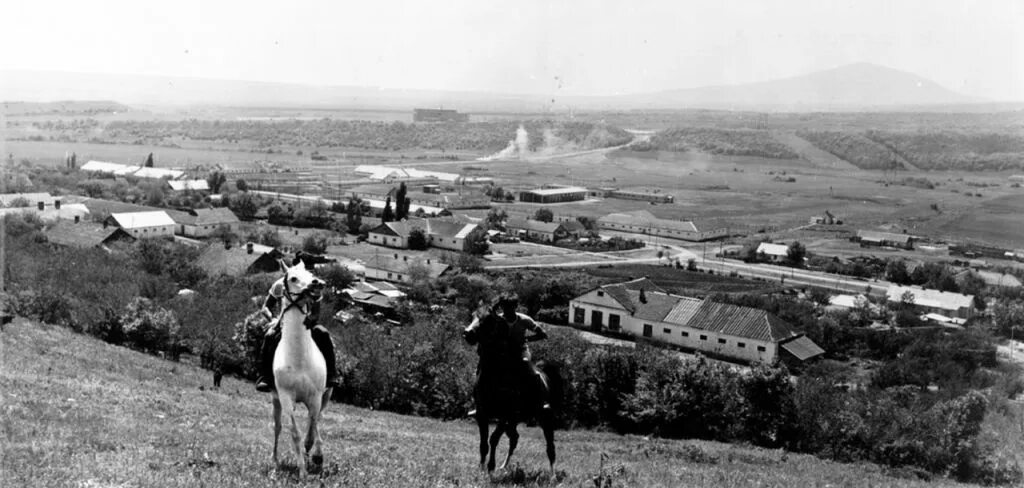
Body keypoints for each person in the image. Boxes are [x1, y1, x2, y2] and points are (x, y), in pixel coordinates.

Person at [254, 254, 342, 393]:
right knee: (269, 337)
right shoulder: (279, 285)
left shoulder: (313, 286)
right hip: (284, 324)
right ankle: (265, 377)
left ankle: (331, 374)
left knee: (324, 334)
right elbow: (265, 306)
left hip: (306, 324)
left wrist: (309, 320)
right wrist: (272, 319)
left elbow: (316, 313)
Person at [463, 293, 549, 416]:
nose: (507, 310)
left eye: (510, 307)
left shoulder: (524, 319)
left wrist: (526, 339)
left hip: (520, 351)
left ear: (516, 306)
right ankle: (479, 404)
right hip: (502, 352)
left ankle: (539, 402)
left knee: (529, 369)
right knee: (484, 368)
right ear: (501, 307)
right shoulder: (498, 320)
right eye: (504, 307)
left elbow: (542, 334)